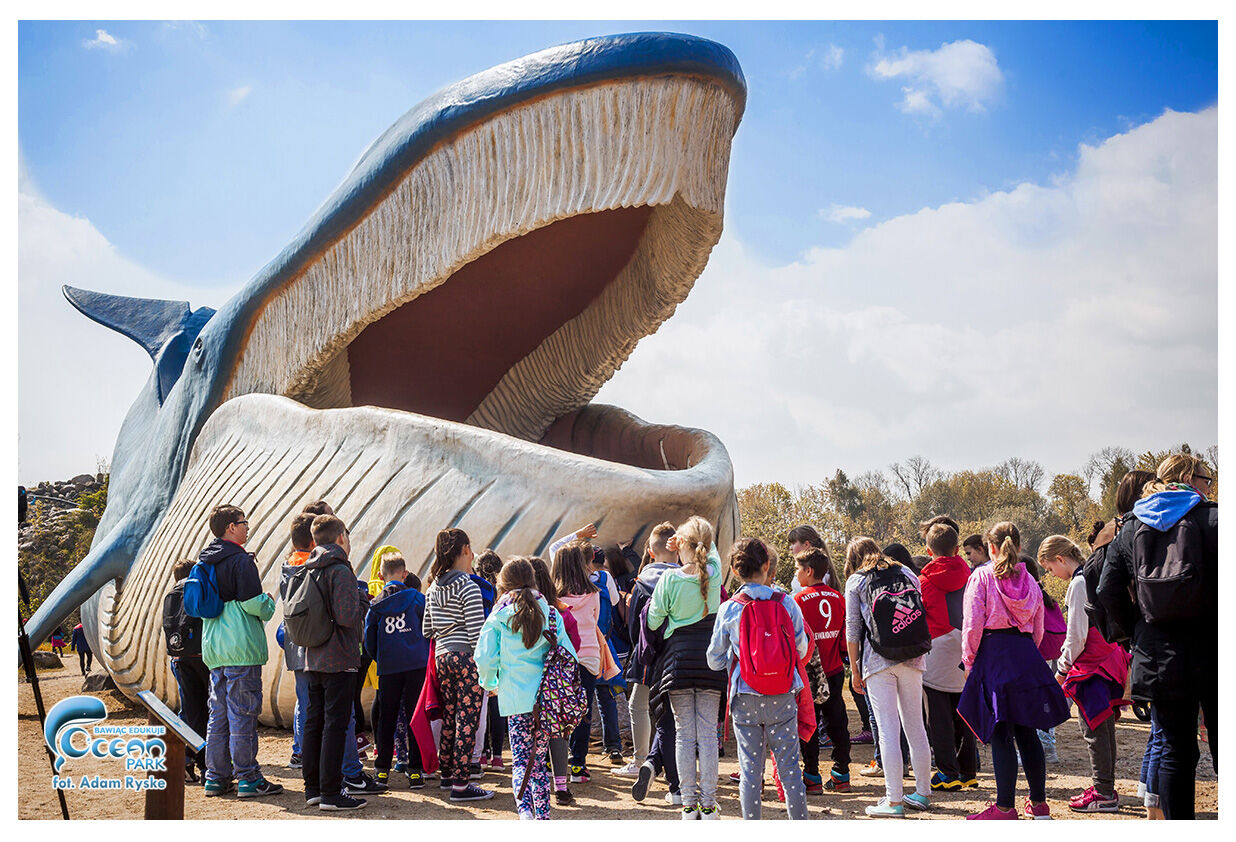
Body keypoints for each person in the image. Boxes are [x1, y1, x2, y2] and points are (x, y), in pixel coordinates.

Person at [1098, 453, 1217, 821]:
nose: (1209, 485)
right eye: (1206, 478)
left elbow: (1106, 589)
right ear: (1189, 478)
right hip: (1213, 648)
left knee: (1175, 750)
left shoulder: (1132, 527)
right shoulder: (1214, 519)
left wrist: (1135, 632)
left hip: (1158, 653)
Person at [959, 522, 1070, 820]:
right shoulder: (1031, 580)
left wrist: (969, 661)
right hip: (1026, 654)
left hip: (994, 655)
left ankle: (1005, 807)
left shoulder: (981, 576)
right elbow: (1039, 628)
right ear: (1019, 547)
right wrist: (1028, 653)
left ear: (990, 548)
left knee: (1001, 733)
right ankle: (1039, 805)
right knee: (1027, 730)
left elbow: (972, 624)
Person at [707, 537, 809, 820]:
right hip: (783, 695)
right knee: (790, 771)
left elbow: (714, 659)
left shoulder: (730, 608)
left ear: (735, 571)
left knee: (750, 772)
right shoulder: (786, 603)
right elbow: (801, 649)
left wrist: (737, 659)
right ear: (767, 566)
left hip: (745, 696)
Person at [475, 557, 580, 819]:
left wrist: (490, 684)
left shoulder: (499, 616)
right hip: (546, 701)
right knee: (539, 762)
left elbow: (484, 658)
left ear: (503, 584)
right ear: (534, 580)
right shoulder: (552, 613)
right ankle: (542, 816)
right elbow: (570, 656)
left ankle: (525, 813)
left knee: (521, 760)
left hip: (515, 701)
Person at [1038, 534, 1131, 813]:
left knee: (1093, 728)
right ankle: (1105, 787)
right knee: (1103, 726)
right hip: (1108, 657)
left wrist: (1062, 670)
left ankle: (1103, 792)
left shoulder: (1078, 583)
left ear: (1060, 559)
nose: (1052, 574)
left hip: (1092, 665)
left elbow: (1076, 635)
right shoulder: (1091, 574)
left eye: (1050, 568)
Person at [195, 505, 282, 798]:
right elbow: (252, 603)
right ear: (231, 527)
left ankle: (215, 777)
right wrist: (268, 603)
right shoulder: (241, 561)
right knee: (243, 714)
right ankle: (248, 778)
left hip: (214, 648)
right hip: (241, 647)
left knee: (218, 716)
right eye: (244, 522)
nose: (247, 527)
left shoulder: (204, 562)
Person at [845, 537, 933, 818]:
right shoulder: (906, 572)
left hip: (878, 661)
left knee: (887, 730)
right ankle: (922, 793)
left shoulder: (857, 581)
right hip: (913, 656)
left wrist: (855, 670)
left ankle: (893, 800)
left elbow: (852, 629)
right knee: (916, 726)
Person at [647, 515, 725, 819]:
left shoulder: (669, 579)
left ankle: (689, 805)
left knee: (683, 734)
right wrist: (691, 538)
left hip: (677, 663)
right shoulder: (714, 573)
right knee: (707, 735)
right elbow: (711, 547)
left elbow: (653, 620)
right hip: (710, 663)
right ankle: (709, 804)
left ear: (681, 545)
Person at [298, 514, 375, 810]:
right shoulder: (340, 569)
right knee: (336, 724)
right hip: (339, 657)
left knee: (314, 722)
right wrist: (363, 600)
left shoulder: (309, 567)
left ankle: (314, 788)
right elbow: (346, 616)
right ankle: (331, 792)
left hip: (313, 655)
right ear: (341, 537)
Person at [422, 528, 493, 801]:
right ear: (464, 550)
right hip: (466, 658)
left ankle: (448, 775)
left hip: (442, 658)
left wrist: (447, 628)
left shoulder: (433, 588)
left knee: (450, 717)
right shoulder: (469, 586)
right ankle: (461, 784)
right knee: (468, 720)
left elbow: (427, 629)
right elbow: (476, 635)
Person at [623, 523, 684, 806]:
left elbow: (634, 626)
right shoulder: (687, 579)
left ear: (650, 552)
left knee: (639, 705)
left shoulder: (643, 582)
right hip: (679, 655)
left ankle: (641, 760)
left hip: (649, 656)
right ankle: (658, 763)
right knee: (672, 718)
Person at [917, 523, 977, 791]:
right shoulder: (973, 576)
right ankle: (968, 771)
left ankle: (947, 772)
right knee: (964, 713)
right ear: (957, 549)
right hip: (967, 647)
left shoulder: (922, 582)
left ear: (928, 551)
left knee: (938, 716)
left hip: (937, 650)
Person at [364, 549, 430, 789]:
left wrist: (380, 657)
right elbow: (428, 627)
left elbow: (368, 638)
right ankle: (415, 771)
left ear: (381, 576)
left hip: (389, 666)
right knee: (415, 716)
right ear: (404, 574)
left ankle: (382, 770)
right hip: (416, 665)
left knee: (387, 717)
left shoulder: (375, 604)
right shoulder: (417, 599)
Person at [792, 546, 851, 794]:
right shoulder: (838, 597)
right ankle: (841, 774)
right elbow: (844, 636)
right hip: (834, 670)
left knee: (809, 724)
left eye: (797, 569)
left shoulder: (797, 600)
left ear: (808, 571)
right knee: (838, 722)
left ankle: (812, 776)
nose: (795, 574)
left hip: (809, 673)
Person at [528, 555, 582, 805]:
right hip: (556, 683)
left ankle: (532, 784)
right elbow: (574, 645)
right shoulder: (560, 612)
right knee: (558, 732)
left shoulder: (518, 613)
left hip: (527, 682)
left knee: (530, 735)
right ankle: (561, 786)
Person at [551, 541, 606, 783]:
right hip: (589, 655)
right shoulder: (594, 593)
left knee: (558, 709)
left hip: (562, 656)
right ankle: (578, 765)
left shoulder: (552, 597)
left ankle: (554, 762)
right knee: (584, 709)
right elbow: (595, 620)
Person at [163, 559, 208, 781]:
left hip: (179, 658)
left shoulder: (171, 594)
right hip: (201, 656)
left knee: (190, 711)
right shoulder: (196, 588)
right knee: (208, 711)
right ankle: (206, 765)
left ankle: (186, 760)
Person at [278, 512, 315, 770]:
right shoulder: (312, 567)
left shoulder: (287, 566)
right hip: (314, 642)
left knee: (303, 700)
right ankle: (307, 750)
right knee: (313, 701)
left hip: (294, 641)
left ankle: (299, 751)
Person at [472, 549, 508, 772]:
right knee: (496, 704)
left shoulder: (475, 588)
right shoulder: (503, 592)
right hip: (501, 650)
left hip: (481, 650)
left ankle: (482, 753)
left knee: (481, 705)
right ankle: (498, 757)